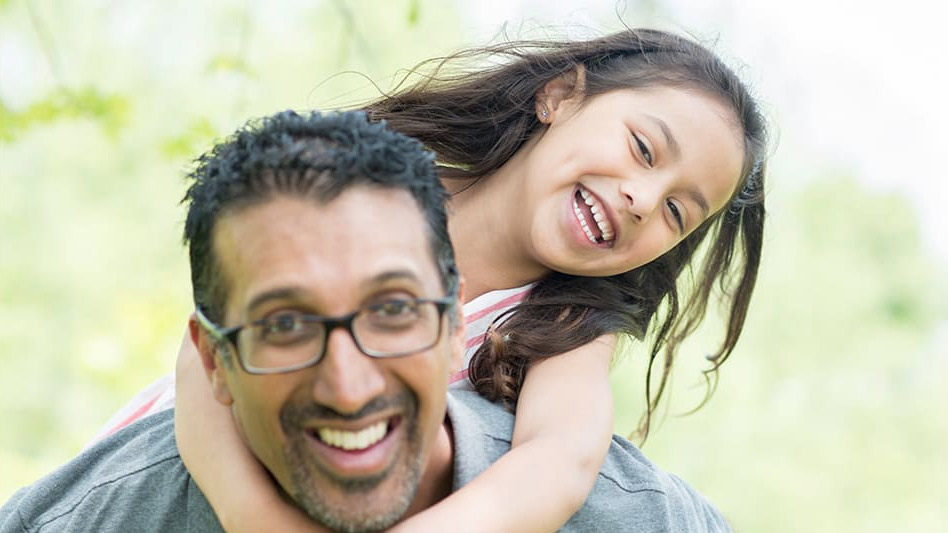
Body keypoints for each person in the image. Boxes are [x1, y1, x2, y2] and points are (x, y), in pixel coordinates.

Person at [99, 28, 768, 532]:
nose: (644, 200)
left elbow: (559, 461)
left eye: (678, 211)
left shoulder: (566, 328)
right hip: (161, 483)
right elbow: (205, 350)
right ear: (560, 96)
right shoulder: (369, 191)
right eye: (643, 149)